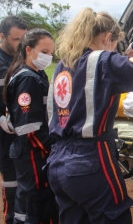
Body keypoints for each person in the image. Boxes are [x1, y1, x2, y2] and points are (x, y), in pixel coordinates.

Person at [45, 8, 133, 224]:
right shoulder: (102, 60)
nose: (114, 50)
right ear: (107, 38)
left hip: (57, 162)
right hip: (89, 161)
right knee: (114, 217)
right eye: (114, 44)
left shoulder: (63, 65)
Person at [3, 28, 58, 223]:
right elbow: (28, 128)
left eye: (51, 53)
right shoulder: (28, 79)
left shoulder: (36, 74)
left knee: (32, 201)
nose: (48, 57)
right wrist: (51, 149)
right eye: (43, 52)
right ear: (28, 50)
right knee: (35, 202)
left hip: (32, 151)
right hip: (33, 152)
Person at [0, 15, 28, 224]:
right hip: (4, 136)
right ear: (2, 37)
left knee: (27, 186)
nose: (21, 44)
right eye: (16, 39)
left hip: (24, 132)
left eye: (24, 39)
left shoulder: (21, 59)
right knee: (12, 186)